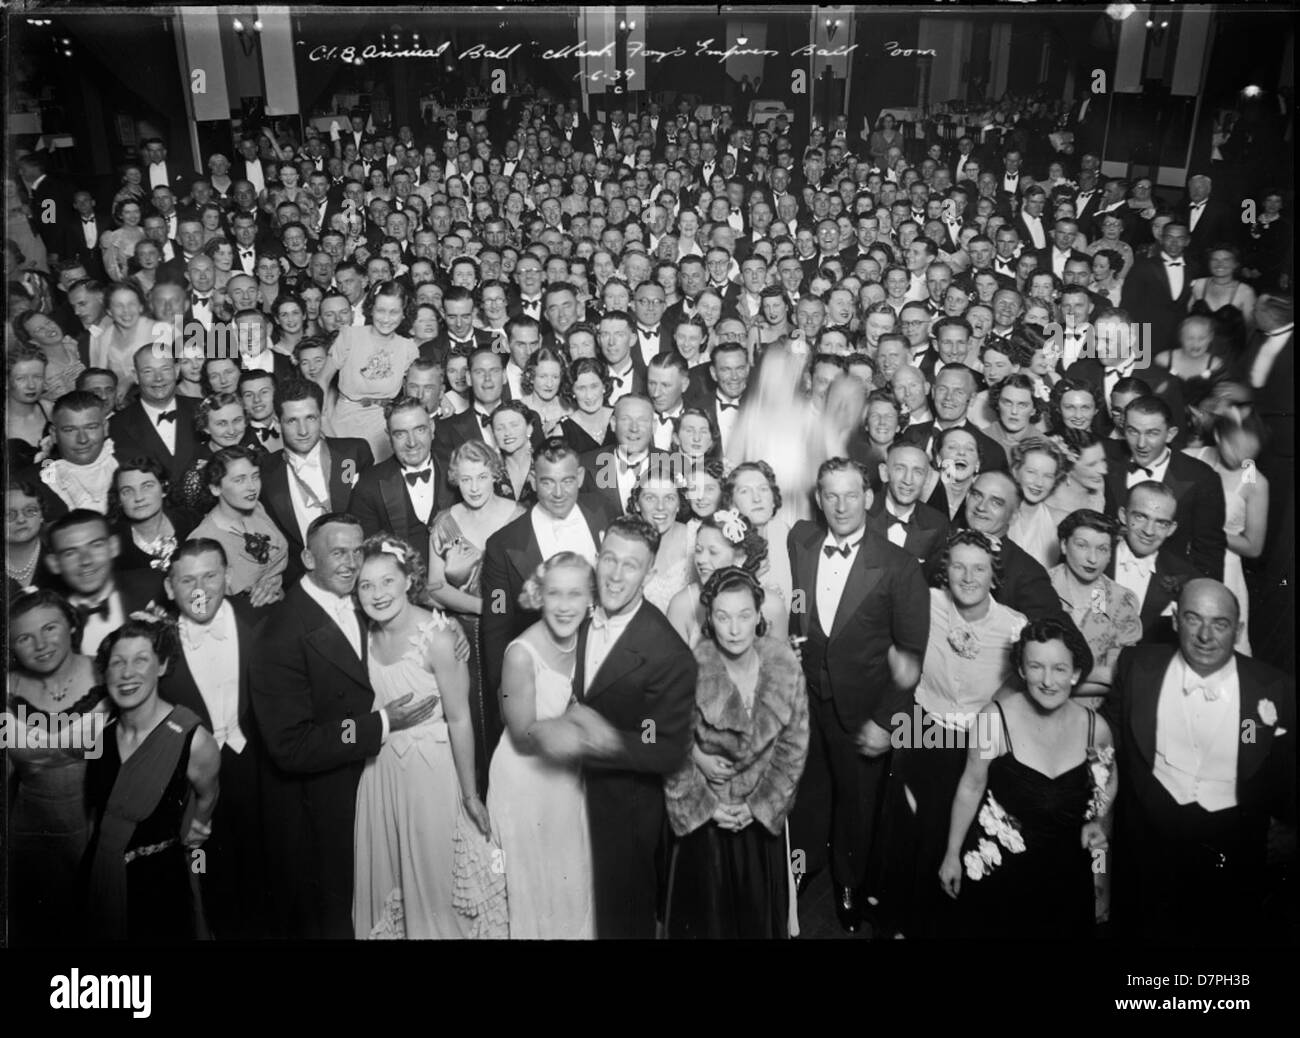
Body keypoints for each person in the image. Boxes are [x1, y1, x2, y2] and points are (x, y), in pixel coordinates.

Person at [251, 513, 438, 939]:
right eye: (338, 552)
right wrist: (379, 724)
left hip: (372, 785)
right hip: (318, 804)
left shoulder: (360, 602)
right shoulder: (280, 632)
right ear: (307, 558)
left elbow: (403, 621)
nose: (352, 563)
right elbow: (292, 745)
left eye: (358, 551)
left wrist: (442, 628)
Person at [532, 515, 698, 939]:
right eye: (610, 560)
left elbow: (665, 744)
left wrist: (603, 740)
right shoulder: (580, 613)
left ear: (650, 573)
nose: (615, 575)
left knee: (621, 921)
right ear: (597, 557)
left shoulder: (668, 652)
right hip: (566, 796)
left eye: (631, 565)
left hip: (625, 812)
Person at [1106, 579, 1296, 943]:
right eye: (1194, 619)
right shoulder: (1136, 667)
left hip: (1234, 855)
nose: (1205, 635)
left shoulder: (1273, 687)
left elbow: (1283, 763)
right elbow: (1105, 747)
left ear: (1238, 629)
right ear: (1176, 620)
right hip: (1148, 853)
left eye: (1220, 624)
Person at [787, 457, 930, 933]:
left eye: (851, 495)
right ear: (819, 499)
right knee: (808, 794)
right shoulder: (801, 541)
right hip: (808, 700)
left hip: (863, 710)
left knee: (857, 804)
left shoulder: (899, 565)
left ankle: (848, 883)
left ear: (869, 499)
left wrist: (888, 721)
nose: (841, 505)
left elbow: (911, 654)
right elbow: (799, 602)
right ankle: (804, 872)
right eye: (831, 495)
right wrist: (795, 633)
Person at [352, 535, 500, 939]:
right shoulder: (360, 633)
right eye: (366, 585)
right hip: (381, 774)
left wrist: (470, 794)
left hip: (431, 775)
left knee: (437, 887)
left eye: (387, 581)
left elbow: (460, 719)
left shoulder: (438, 637)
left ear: (408, 580)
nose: (378, 594)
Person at [882, 530, 1027, 939]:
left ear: (993, 576)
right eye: (958, 567)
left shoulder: (1014, 626)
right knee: (914, 831)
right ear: (944, 571)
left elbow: (1019, 687)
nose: (967, 577)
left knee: (961, 839)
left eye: (979, 569)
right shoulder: (925, 603)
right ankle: (901, 923)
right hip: (923, 729)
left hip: (978, 743)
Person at [939, 617, 1112, 940]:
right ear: (1021, 670)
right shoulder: (994, 720)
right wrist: (951, 855)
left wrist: (1096, 827)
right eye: (1036, 667)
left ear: (1075, 673)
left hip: (1065, 877)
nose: (1047, 681)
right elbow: (970, 786)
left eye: (1060, 669)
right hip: (1001, 876)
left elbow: (1105, 788)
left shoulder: (1096, 729)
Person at [664, 567, 809, 938]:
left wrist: (757, 806)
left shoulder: (783, 665)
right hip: (706, 830)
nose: (734, 628)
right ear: (709, 618)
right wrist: (708, 807)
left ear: (760, 616)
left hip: (757, 828)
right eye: (723, 616)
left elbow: (794, 750)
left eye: (745, 616)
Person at [84, 615, 221, 941]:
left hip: (161, 884)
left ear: (161, 666)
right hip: (102, 875)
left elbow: (207, 796)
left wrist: (200, 824)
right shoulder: (99, 738)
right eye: (117, 662)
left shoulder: (194, 738)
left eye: (140, 660)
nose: (127, 673)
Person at [159, 539, 267, 939]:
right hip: (195, 786)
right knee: (206, 873)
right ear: (170, 588)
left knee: (264, 873)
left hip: (258, 771)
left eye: (210, 576)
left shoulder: (262, 621)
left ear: (228, 577)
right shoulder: (157, 645)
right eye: (187, 580)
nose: (200, 589)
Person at [487, 552, 597, 939]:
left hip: (567, 779)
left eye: (575, 594)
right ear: (539, 596)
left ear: (591, 599)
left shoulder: (592, 639)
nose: (565, 606)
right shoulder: (520, 654)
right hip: (524, 783)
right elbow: (523, 733)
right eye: (554, 594)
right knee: (531, 891)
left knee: (571, 885)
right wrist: (591, 724)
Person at [6, 589, 108, 945]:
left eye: (50, 628)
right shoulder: (6, 692)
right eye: (23, 637)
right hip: (31, 839)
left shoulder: (110, 676)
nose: (40, 644)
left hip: (99, 835)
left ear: (72, 625)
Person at [427, 440, 526, 796]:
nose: (474, 487)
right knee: (471, 719)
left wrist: (502, 616)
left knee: (511, 716)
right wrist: (486, 610)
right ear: (454, 478)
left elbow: (530, 581)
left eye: (482, 477)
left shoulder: (519, 515)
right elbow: (435, 586)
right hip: (465, 635)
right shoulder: (446, 520)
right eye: (466, 479)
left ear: (495, 475)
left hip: (515, 633)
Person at [1183, 414, 1269, 655]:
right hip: (1181, 558)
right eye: (1236, 447)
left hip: (1226, 570)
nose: (1243, 457)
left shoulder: (1254, 480)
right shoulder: (1190, 456)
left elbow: (1254, 547)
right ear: (1219, 437)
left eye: (1250, 451)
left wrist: (1209, 531)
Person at [316, 280, 420, 461]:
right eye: (380, 310)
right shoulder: (349, 336)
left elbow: (417, 390)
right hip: (345, 423)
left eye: (394, 312)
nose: (386, 319)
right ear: (371, 308)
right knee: (347, 481)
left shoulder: (408, 348)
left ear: (404, 314)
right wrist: (324, 419)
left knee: (380, 483)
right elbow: (321, 380)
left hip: (384, 428)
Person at [1050, 510, 1144, 705]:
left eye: (1102, 549)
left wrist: (1052, 679)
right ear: (1064, 545)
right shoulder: (1040, 587)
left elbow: (1114, 676)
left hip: (1092, 717)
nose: (1092, 559)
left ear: (1111, 553)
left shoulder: (1120, 601)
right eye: (1082, 546)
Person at [667, 507, 789, 649]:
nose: (701, 560)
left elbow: (781, 666)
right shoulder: (681, 605)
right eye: (699, 550)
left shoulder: (772, 605)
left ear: (740, 557)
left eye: (713, 552)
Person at [190, 446, 289, 616]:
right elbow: (198, 610)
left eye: (255, 477)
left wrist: (277, 593)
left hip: (283, 610)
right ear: (215, 488)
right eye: (239, 480)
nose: (252, 487)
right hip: (244, 626)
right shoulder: (201, 543)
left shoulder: (257, 508)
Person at [630, 469, 692, 613]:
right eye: (650, 498)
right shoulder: (628, 545)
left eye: (669, 498)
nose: (660, 507)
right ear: (637, 504)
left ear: (678, 505)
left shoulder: (696, 538)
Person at [1006, 435, 1069, 569]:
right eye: (1031, 472)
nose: (1039, 483)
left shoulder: (1061, 521)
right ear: (1015, 471)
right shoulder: (997, 515)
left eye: (1048, 476)